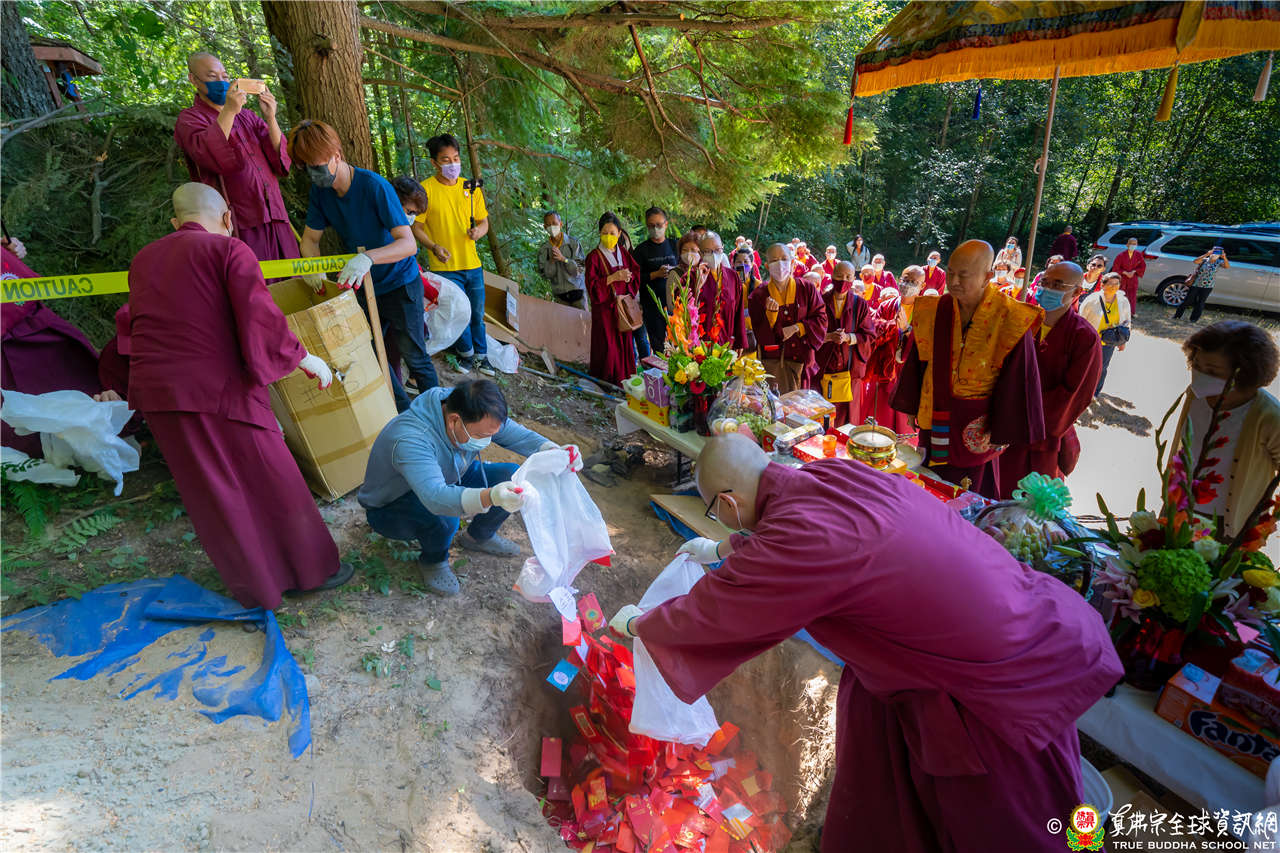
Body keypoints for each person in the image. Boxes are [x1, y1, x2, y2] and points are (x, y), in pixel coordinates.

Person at [608, 434, 1122, 853]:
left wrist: (641, 625)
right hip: (1023, 624)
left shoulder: (798, 539)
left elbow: (715, 611)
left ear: (726, 502)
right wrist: (725, 547)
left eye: (715, 514)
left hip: (990, 692)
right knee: (870, 721)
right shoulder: (832, 475)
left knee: (1017, 829)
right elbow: (796, 532)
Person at [127, 183, 348, 609]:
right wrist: (303, 357)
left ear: (175, 222)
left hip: (158, 394)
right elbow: (258, 315)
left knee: (212, 492)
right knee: (273, 474)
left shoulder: (143, 259)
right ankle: (311, 571)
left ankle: (257, 588)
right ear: (228, 218)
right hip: (217, 388)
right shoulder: (228, 250)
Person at [359, 379, 581, 596]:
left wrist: (553, 451)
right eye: (481, 436)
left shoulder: (469, 407)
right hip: (392, 504)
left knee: (512, 477)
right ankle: (434, 560)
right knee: (446, 518)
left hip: (449, 474)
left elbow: (517, 435)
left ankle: (479, 536)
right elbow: (436, 498)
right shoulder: (411, 440)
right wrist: (491, 496)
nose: (487, 440)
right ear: (454, 421)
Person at [291, 120, 437, 412]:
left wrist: (369, 257)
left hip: (400, 283)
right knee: (368, 352)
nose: (313, 173)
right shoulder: (321, 193)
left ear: (336, 155)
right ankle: (404, 415)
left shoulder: (374, 186)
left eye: (317, 165)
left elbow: (408, 244)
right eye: (306, 167)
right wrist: (313, 267)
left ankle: (441, 417)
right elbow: (310, 240)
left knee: (414, 355)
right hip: (365, 286)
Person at [892, 240, 1046, 498]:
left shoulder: (1011, 317)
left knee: (968, 490)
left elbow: (1018, 378)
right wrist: (911, 405)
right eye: (951, 272)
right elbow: (919, 359)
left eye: (963, 275)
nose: (953, 281)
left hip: (978, 422)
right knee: (928, 481)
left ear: (987, 276)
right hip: (934, 409)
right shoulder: (933, 309)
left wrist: (1003, 429)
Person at [174, 53, 298, 263]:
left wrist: (271, 118)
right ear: (193, 79)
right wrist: (229, 112)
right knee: (252, 278)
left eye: (225, 76)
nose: (221, 82)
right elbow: (208, 153)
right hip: (237, 222)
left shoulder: (247, 116)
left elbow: (279, 158)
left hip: (275, 214)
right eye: (212, 76)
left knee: (292, 279)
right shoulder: (190, 119)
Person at [998, 262, 1102, 498]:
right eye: (1045, 282)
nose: (1047, 289)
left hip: (1040, 434)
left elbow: (1074, 396)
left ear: (1077, 292)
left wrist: (1023, 415)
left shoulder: (1084, 337)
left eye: (1057, 284)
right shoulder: (1023, 321)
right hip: (1003, 425)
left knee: (1026, 504)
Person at [1168, 321, 1280, 538]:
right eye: (1197, 365)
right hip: (1181, 507)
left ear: (1244, 373)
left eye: (1212, 371)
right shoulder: (1195, 395)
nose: (1200, 375)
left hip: (1229, 523)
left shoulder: (1269, 416)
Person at [412, 134, 492, 374]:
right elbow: (416, 227)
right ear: (434, 162)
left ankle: (482, 357)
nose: (453, 164)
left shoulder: (471, 188)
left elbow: (484, 222)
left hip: (472, 264)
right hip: (444, 267)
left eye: (456, 158)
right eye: (446, 160)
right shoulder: (425, 190)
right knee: (457, 314)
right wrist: (434, 246)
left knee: (476, 314)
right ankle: (466, 354)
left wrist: (478, 232)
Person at [747, 243, 827, 394]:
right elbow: (760, 336)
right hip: (774, 367)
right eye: (774, 260)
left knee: (801, 406)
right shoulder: (758, 295)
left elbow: (821, 319)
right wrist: (771, 317)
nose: (780, 264)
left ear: (792, 263)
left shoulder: (806, 288)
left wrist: (798, 327)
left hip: (803, 364)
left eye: (784, 259)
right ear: (767, 266)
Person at [816, 261, 878, 427]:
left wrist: (849, 338)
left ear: (853, 279)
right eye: (839, 276)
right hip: (823, 370)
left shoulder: (860, 304)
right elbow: (811, 333)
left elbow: (870, 335)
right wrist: (829, 337)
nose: (843, 281)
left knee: (847, 421)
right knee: (822, 418)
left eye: (848, 277)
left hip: (849, 373)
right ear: (831, 276)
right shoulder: (820, 301)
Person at [585, 212, 642, 386]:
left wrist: (629, 278)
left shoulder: (623, 252)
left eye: (612, 233)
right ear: (599, 233)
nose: (608, 236)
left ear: (619, 233)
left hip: (622, 308)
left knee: (625, 344)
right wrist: (613, 277)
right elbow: (592, 287)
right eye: (605, 233)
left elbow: (635, 273)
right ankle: (607, 381)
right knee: (607, 346)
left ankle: (625, 380)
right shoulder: (594, 257)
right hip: (605, 310)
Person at [631, 206, 678, 355]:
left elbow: (686, 268)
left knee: (678, 344)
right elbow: (634, 279)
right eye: (651, 225)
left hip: (675, 304)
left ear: (666, 224)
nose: (655, 229)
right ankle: (658, 368)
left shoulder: (675, 245)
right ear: (647, 226)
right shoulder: (641, 250)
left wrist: (674, 270)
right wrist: (655, 274)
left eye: (658, 224)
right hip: (652, 307)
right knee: (659, 347)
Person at [1079, 272, 1131, 397]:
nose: (1113, 286)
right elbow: (1081, 319)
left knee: (1101, 368)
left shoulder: (1123, 301)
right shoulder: (1092, 300)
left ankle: (1095, 392)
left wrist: (1122, 341)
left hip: (1109, 341)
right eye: (1110, 284)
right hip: (1091, 340)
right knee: (1085, 365)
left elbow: (1126, 321)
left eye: (1116, 284)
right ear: (1102, 285)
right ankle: (1081, 389)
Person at [695, 231, 747, 349]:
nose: (714, 255)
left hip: (726, 343)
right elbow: (684, 310)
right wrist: (697, 286)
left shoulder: (733, 276)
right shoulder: (691, 277)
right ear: (700, 253)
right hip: (699, 346)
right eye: (707, 251)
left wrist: (740, 342)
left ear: (722, 249)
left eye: (717, 250)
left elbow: (739, 312)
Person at [536, 211, 586, 310]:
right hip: (560, 297)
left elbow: (579, 269)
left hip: (578, 294)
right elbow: (546, 275)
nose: (552, 227)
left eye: (554, 223)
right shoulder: (544, 249)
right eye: (548, 225)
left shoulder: (573, 243)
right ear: (545, 227)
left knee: (582, 320)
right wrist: (551, 261)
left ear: (561, 224)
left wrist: (564, 259)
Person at [1175, 245, 1230, 323]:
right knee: (1187, 300)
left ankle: (1193, 319)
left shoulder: (1219, 262)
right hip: (1196, 284)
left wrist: (1224, 257)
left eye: (1218, 252)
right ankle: (1177, 316)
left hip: (1208, 286)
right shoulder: (1204, 260)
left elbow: (1227, 266)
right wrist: (1207, 254)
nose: (1216, 254)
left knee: (1200, 303)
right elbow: (1195, 261)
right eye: (1215, 251)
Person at [1110, 237, 1147, 317]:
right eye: (1131, 243)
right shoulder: (1121, 255)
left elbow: (1142, 266)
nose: (1133, 245)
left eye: (1135, 244)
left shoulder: (1138, 255)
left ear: (1137, 245)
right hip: (1122, 278)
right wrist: (1125, 272)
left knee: (1132, 296)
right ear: (1127, 245)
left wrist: (1134, 271)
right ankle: (1117, 312)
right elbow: (1115, 268)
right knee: (1120, 295)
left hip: (1133, 278)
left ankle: (1131, 312)